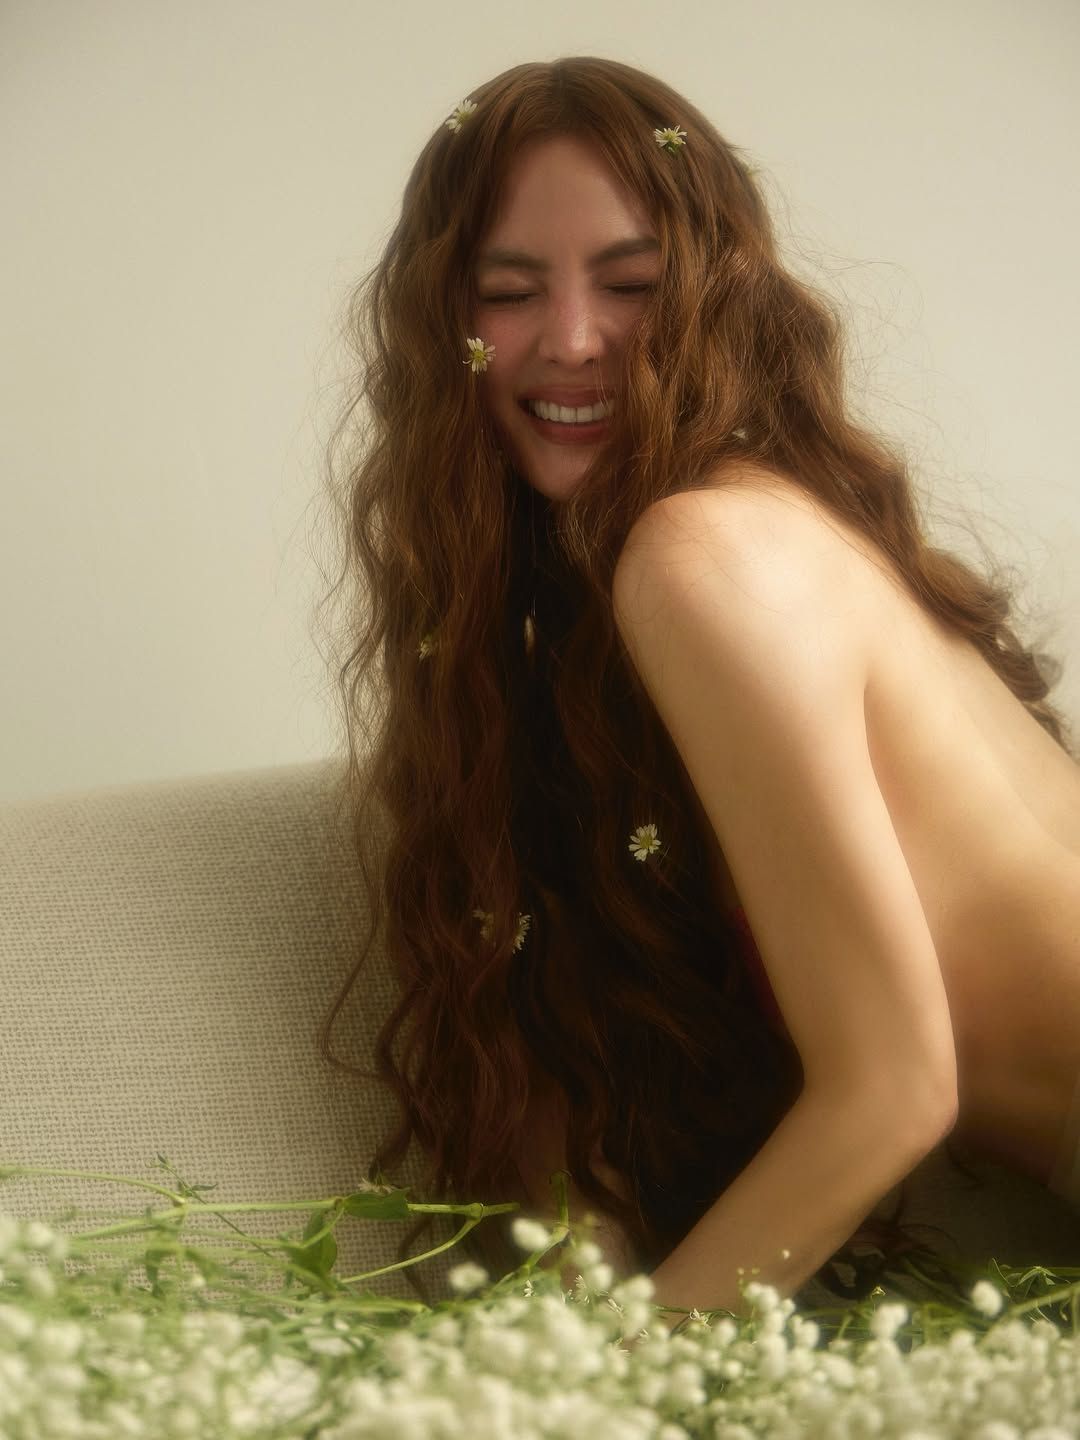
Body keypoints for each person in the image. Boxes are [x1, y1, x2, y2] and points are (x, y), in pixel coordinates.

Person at [317, 56, 1080, 1328]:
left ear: (715, 298)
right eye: (510, 290)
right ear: (447, 325)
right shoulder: (633, 623)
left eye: (631, 284)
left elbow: (896, 1087)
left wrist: (614, 1394)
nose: (572, 339)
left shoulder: (703, 554)